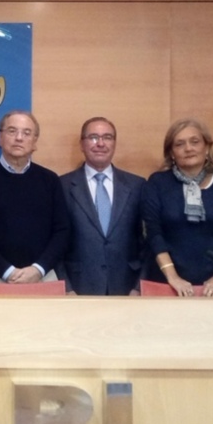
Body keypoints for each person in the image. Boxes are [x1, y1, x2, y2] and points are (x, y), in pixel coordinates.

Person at [0, 110, 69, 285]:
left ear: (34, 141)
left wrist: (39, 269)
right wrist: (7, 271)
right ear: (0, 138)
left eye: (27, 133)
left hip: (42, 276)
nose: (19, 138)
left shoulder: (50, 180)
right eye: (12, 131)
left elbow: (62, 231)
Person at [141, 118, 213, 297]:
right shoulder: (157, 183)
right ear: (171, 153)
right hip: (166, 282)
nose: (188, 148)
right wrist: (173, 277)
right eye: (179, 144)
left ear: (207, 147)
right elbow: (153, 233)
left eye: (195, 142)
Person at [59, 117, 145, 295]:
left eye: (107, 137)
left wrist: (139, 287)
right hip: (78, 287)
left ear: (114, 143)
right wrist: (66, 288)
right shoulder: (62, 186)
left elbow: (146, 242)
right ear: (82, 144)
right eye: (93, 137)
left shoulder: (137, 185)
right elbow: (56, 241)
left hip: (127, 286)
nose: (100, 143)